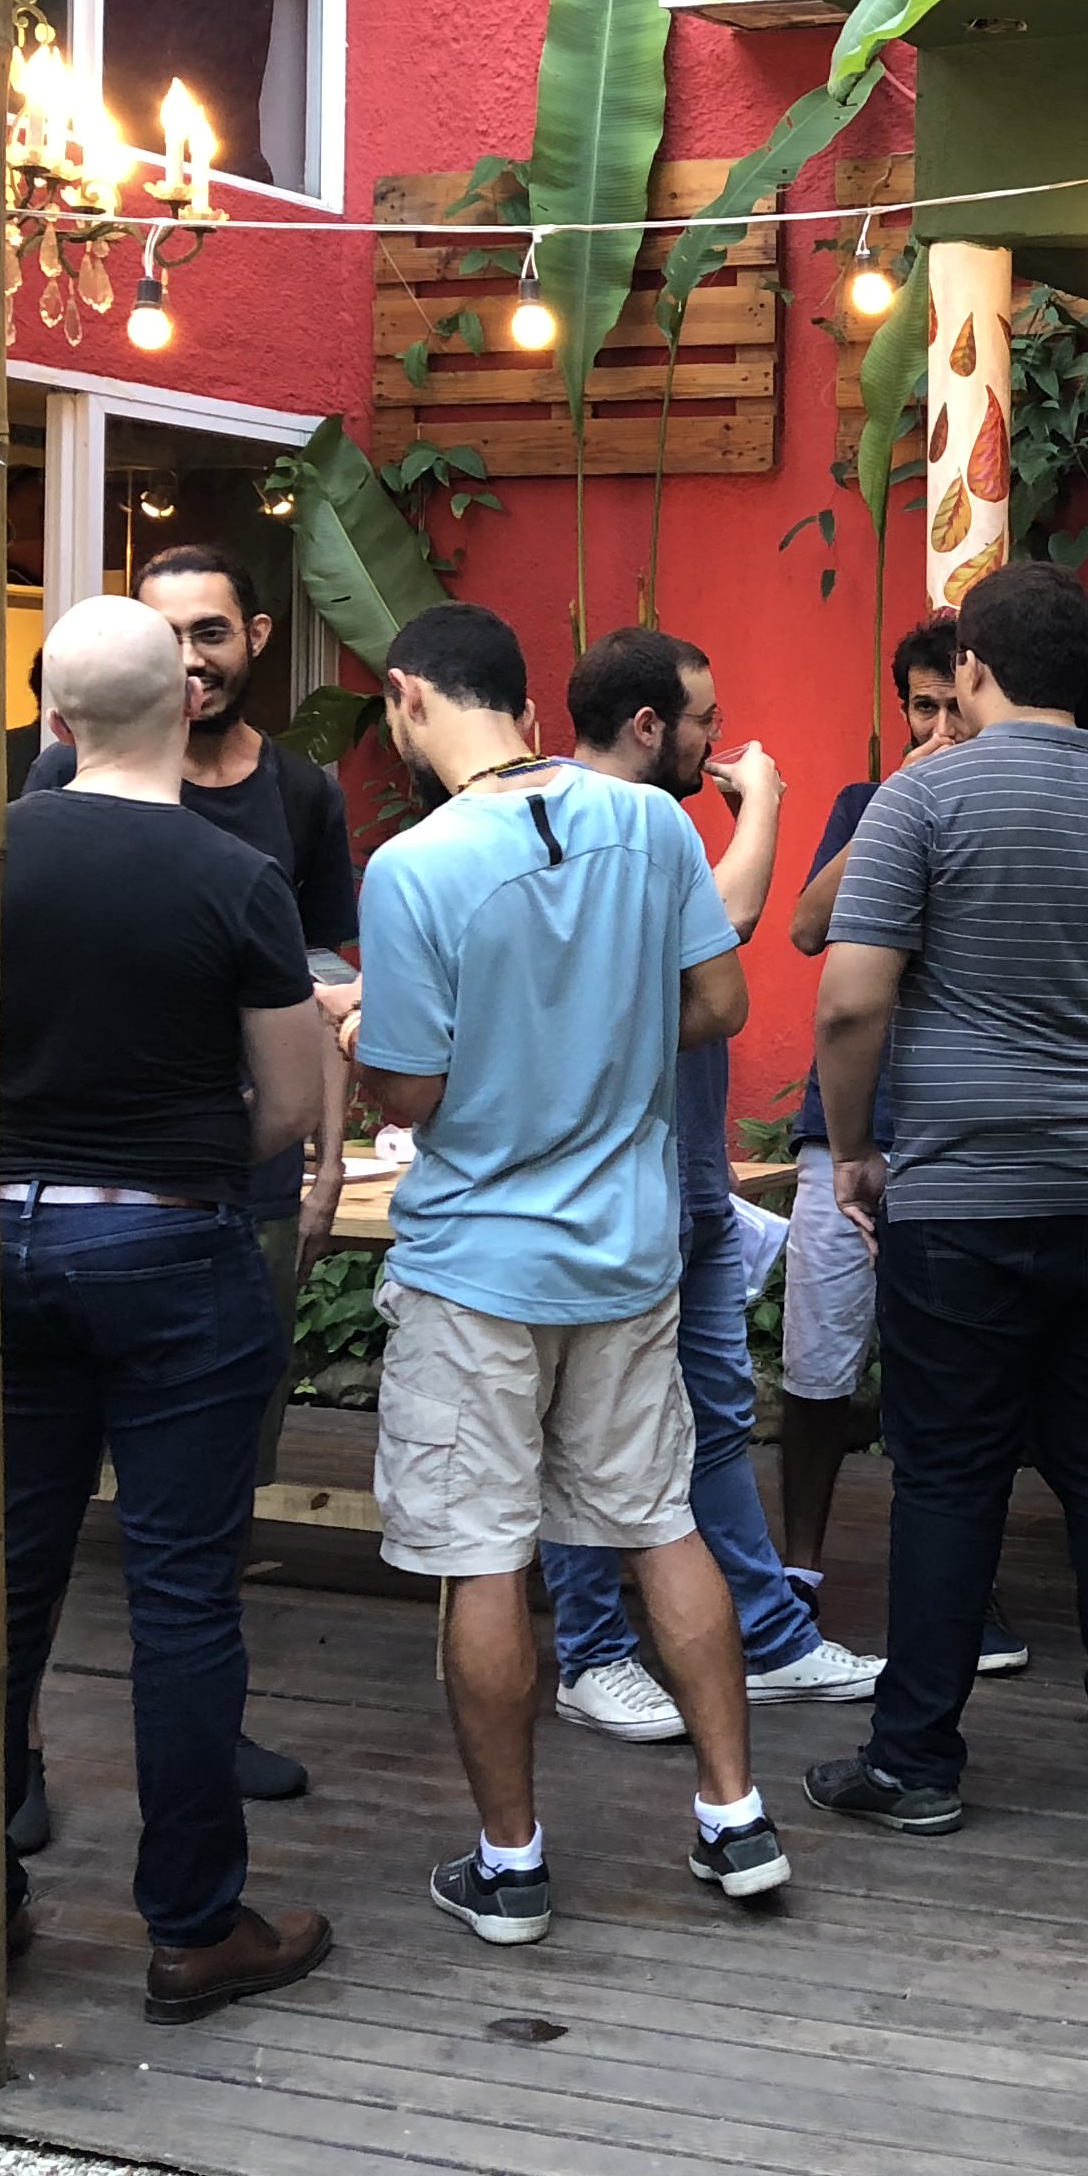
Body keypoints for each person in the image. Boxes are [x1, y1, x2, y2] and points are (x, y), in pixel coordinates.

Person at [350, 601, 790, 1937]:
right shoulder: (652, 822)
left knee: (484, 1558)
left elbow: (411, 1094)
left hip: (479, 1259)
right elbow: (719, 1006)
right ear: (527, 707)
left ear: (408, 699)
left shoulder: (414, 866)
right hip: (628, 1245)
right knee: (664, 1520)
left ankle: (513, 1863)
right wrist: (603, 1011)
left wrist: (368, 1029)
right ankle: (735, 1819)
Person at [805, 564, 1088, 1836]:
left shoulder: (925, 795)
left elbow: (852, 995)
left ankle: (916, 1763)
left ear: (973, 668)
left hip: (971, 1194)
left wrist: (858, 1147)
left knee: (947, 1475)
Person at [0, 596, 338, 2023]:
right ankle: (195, 1927)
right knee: (184, 1595)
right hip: (173, 1247)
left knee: (3, 1580)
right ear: (186, 706)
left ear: (54, 723)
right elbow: (287, 1102)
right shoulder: (236, 873)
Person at [536, 626, 881, 1741]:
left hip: (683, 1185)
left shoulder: (655, 830)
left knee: (718, 1415)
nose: (719, 744)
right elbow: (732, 921)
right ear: (649, 727)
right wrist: (770, 801)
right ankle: (592, 1654)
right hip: (611, 1193)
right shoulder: (586, 821)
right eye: (704, 725)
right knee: (596, 1426)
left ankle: (772, 1638)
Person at [779, 618, 1027, 1682]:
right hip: (844, 1129)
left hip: (962, 1134)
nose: (934, 725)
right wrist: (892, 802)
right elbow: (802, 931)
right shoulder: (864, 802)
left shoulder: (1015, 807)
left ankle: (962, 1582)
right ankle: (794, 1570)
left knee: (956, 1374)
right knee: (816, 1362)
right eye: (916, 707)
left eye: (949, 704)